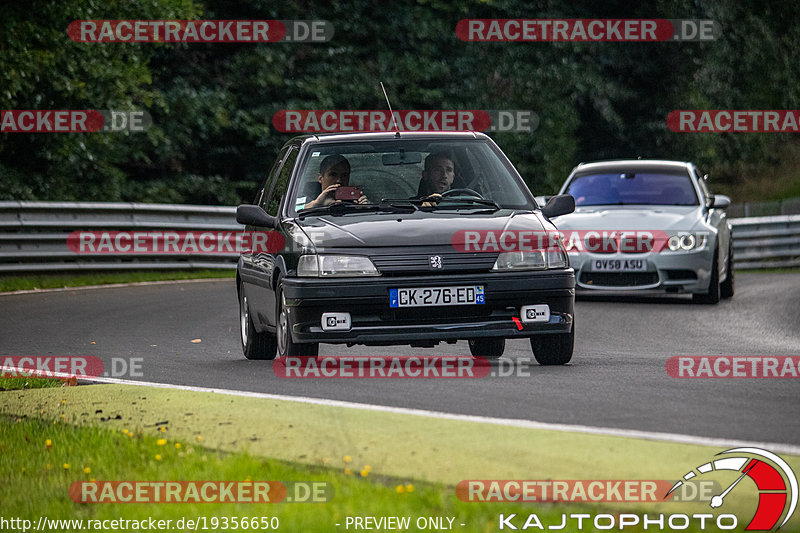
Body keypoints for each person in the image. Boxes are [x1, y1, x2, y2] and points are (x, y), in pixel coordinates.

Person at [302, 154, 368, 209]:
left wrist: (366, 208)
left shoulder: (355, 199)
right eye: (333, 175)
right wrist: (317, 204)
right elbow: (295, 211)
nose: (339, 180)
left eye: (344, 175)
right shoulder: (306, 196)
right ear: (320, 178)